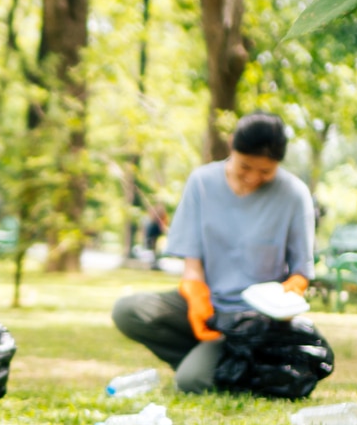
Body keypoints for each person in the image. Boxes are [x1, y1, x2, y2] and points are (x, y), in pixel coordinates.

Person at [111, 112, 314, 393]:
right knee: (128, 311)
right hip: (211, 306)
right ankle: (224, 363)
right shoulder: (202, 182)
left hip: (255, 321)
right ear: (232, 144)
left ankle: (215, 365)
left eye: (266, 172)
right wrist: (195, 293)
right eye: (245, 167)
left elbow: (301, 272)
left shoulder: (294, 194)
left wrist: (289, 294)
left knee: (191, 382)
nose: (254, 177)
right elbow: (192, 263)